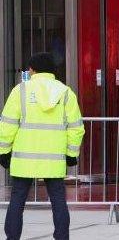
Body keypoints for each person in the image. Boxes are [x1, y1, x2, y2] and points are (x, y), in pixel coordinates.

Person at [0, 52, 85, 240]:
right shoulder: (65, 93)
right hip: (53, 159)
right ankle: (62, 237)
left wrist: (3, 152)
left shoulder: (20, 91)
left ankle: (12, 237)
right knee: (58, 201)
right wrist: (71, 154)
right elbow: (76, 128)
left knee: (17, 201)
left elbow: (7, 125)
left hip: (24, 160)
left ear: (32, 69)